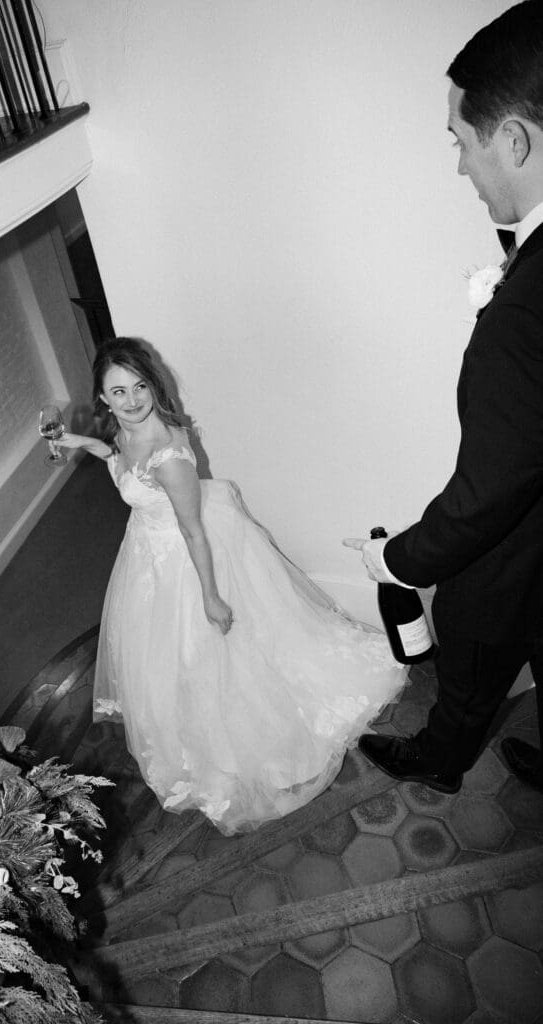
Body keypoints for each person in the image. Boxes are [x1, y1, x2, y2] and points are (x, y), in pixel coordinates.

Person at [58, 337, 407, 835]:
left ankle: (230, 744)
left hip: (186, 559)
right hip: (149, 553)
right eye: (118, 391)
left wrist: (210, 595)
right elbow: (117, 458)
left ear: (153, 387)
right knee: (168, 660)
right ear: (103, 398)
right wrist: (83, 444)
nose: (131, 400)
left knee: (205, 655)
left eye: (139, 387)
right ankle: (192, 731)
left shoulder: (168, 453)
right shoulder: (123, 432)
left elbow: (193, 530)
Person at [345, 0, 543, 797]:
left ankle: (440, 758)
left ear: (514, 139)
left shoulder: (524, 313)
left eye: (461, 142)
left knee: (465, 641)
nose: (459, 167)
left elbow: (488, 490)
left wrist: (392, 558)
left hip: (518, 542)